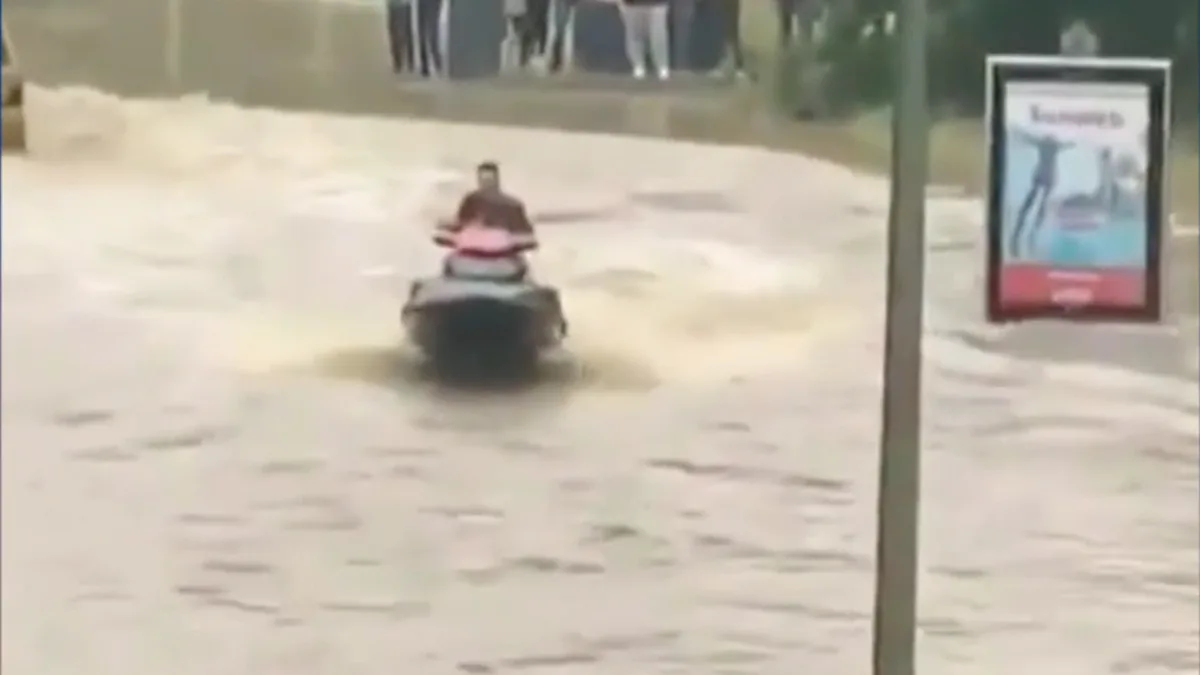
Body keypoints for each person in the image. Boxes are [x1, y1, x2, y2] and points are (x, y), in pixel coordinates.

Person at [1011, 129, 1073, 257]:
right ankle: (1033, 231)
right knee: (1042, 203)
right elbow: (1067, 145)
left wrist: (1020, 135)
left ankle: (1023, 231)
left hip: (1041, 174)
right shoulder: (1054, 145)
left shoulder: (1043, 144)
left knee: (1033, 200)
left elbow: (1030, 139)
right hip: (1049, 176)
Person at [446, 162, 536, 237]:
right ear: (479, 180)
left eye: (490, 180)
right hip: (473, 249)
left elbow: (524, 230)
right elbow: (461, 223)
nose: (487, 183)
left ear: (497, 180)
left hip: (504, 251)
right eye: (484, 180)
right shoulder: (471, 201)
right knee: (452, 258)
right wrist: (451, 228)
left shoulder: (512, 205)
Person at [620, 0, 670, 80]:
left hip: (657, 3)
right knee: (635, 33)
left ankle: (662, 66)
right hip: (632, 4)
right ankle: (638, 65)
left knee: (658, 34)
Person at [384, 0, 415, 74]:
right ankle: (406, 60)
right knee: (403, 31)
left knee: (399, 32)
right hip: (398, 5)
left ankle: (401, 61)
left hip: (401, 4)